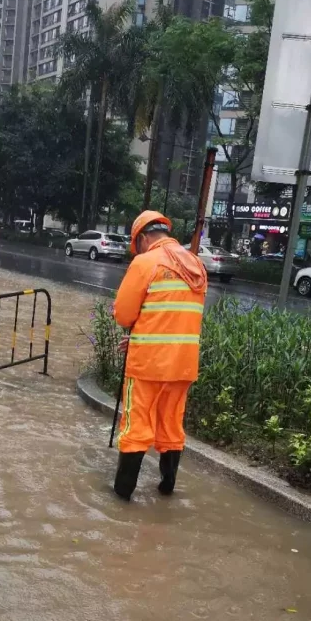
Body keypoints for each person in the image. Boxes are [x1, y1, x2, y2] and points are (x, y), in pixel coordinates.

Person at [112, 210, 207, 501]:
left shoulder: (146, 262)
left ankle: (122, 495)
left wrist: (140, 335)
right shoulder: (196, 264)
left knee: (136, 427)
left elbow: (124, 315)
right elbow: (173, 317)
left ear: (142, 238)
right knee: (170, 424)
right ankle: (167, 488)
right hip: (183, 365)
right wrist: (143, 334)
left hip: (147, 366)